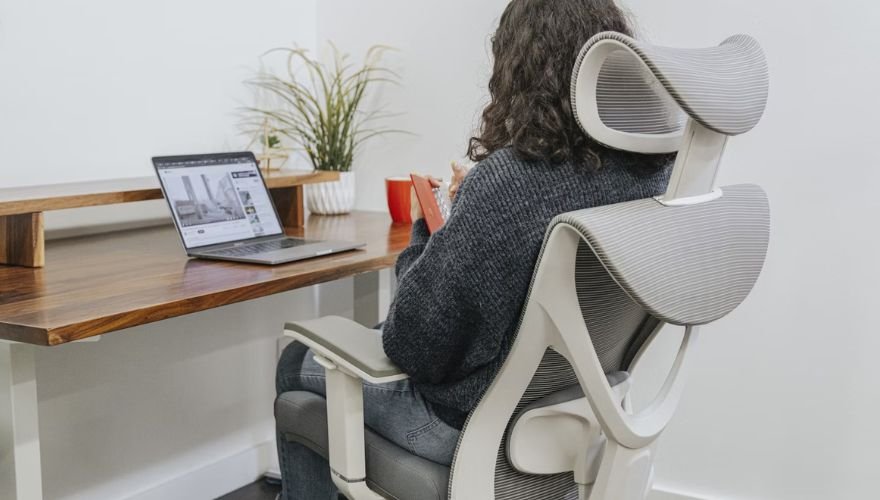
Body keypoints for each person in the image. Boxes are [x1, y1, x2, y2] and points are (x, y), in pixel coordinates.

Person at [275, 0, 674, 497]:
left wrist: (430, 229)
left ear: (518, 70)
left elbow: (414, 345)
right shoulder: (651, 173)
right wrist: (474, 211)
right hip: (581, 415)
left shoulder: (512, 180)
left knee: (295, 361)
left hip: (473, 429)